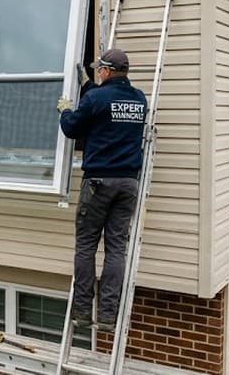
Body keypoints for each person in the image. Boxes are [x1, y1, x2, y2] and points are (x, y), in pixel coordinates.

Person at [56, 48, 147, 329]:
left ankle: (83, 311)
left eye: (99, 70)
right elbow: (109, 106)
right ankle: (108, 316)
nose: (98, 73)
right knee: (116, 250)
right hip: (128, 183)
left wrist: (66, 110)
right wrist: (86, 84)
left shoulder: (96, 98)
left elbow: (72, 128)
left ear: (107, 71)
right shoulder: (139, 99)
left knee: (86, 246)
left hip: (98, 183)